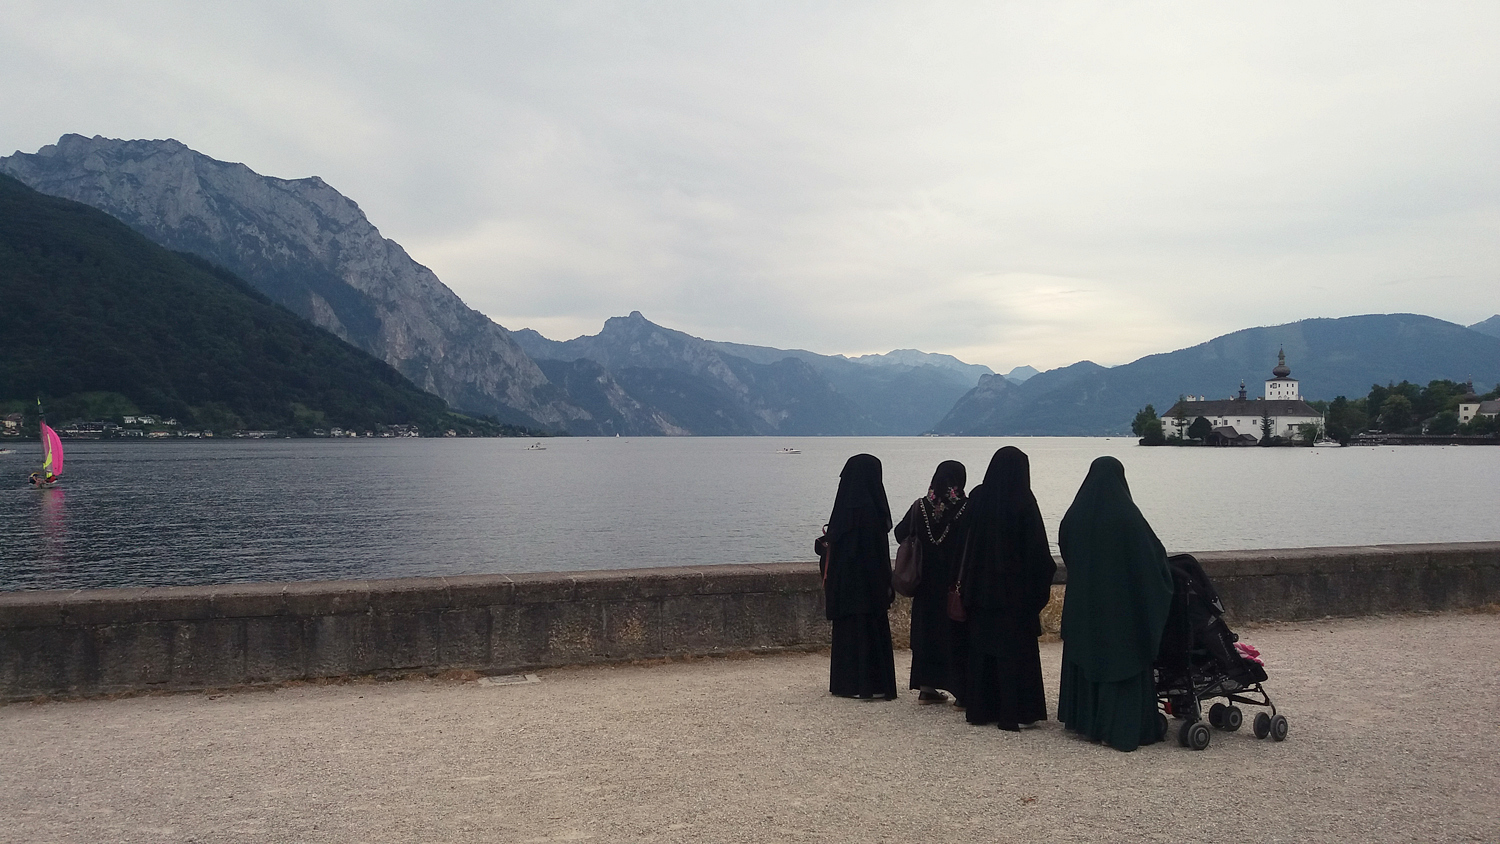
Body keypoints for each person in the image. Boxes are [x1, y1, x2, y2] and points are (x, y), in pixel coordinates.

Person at [1055, 456, 1174, 751]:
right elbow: (1153, 559)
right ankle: (1117, 726)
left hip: (1083, 604)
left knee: (1085, 654)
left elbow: (1068, 553)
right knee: (1121, 660)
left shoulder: (1074, 516)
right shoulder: (1128, 518)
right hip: (1121, 608)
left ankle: (1086, 722)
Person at [958, 447, 1057, 730]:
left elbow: (963, 542)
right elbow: (1038, 554)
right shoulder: (1024, 502)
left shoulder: (978, 499)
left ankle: (980, 709)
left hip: (979, 593)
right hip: (1014, 596)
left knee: (982, 651)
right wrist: (1036, 593)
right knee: (1014, 653)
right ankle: (1014, 712)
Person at [817, 453, 898, 700]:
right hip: (871, 585)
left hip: (845, 584)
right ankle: (875, 683)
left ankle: (847, 683)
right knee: (872, 630)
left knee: (848, 631)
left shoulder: (843, 510)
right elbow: (879, 554)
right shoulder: (874, 510)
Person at [893, 460, 971, 705]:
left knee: (926, 633)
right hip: (954, 582)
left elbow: (899, 533)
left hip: (924, 582)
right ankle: (961, 692)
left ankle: (926, 688)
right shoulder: (966, 508)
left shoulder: (920, 506)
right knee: (956, 633)